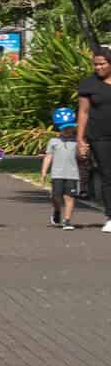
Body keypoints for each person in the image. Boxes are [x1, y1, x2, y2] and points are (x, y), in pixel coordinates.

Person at [77, 47, 111, 232]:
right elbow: (83, 112)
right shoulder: (89, 84)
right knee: (107, 175)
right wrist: (81, 140)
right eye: (95, 64)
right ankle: (110, 216)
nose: (98, 67)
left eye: (102, 64)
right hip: (100, 136)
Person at [43, 106, 81, 231]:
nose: (68, 130)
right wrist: (44, 171)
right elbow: (48, 157)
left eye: (70, 128)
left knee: (69, 197)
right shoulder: (53, 141)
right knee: (56, 197)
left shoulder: (77, 142)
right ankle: (57, 210)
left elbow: (82, 156)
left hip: (72, 174)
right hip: (57, 174)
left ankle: (67, 220)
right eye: (65, 128)